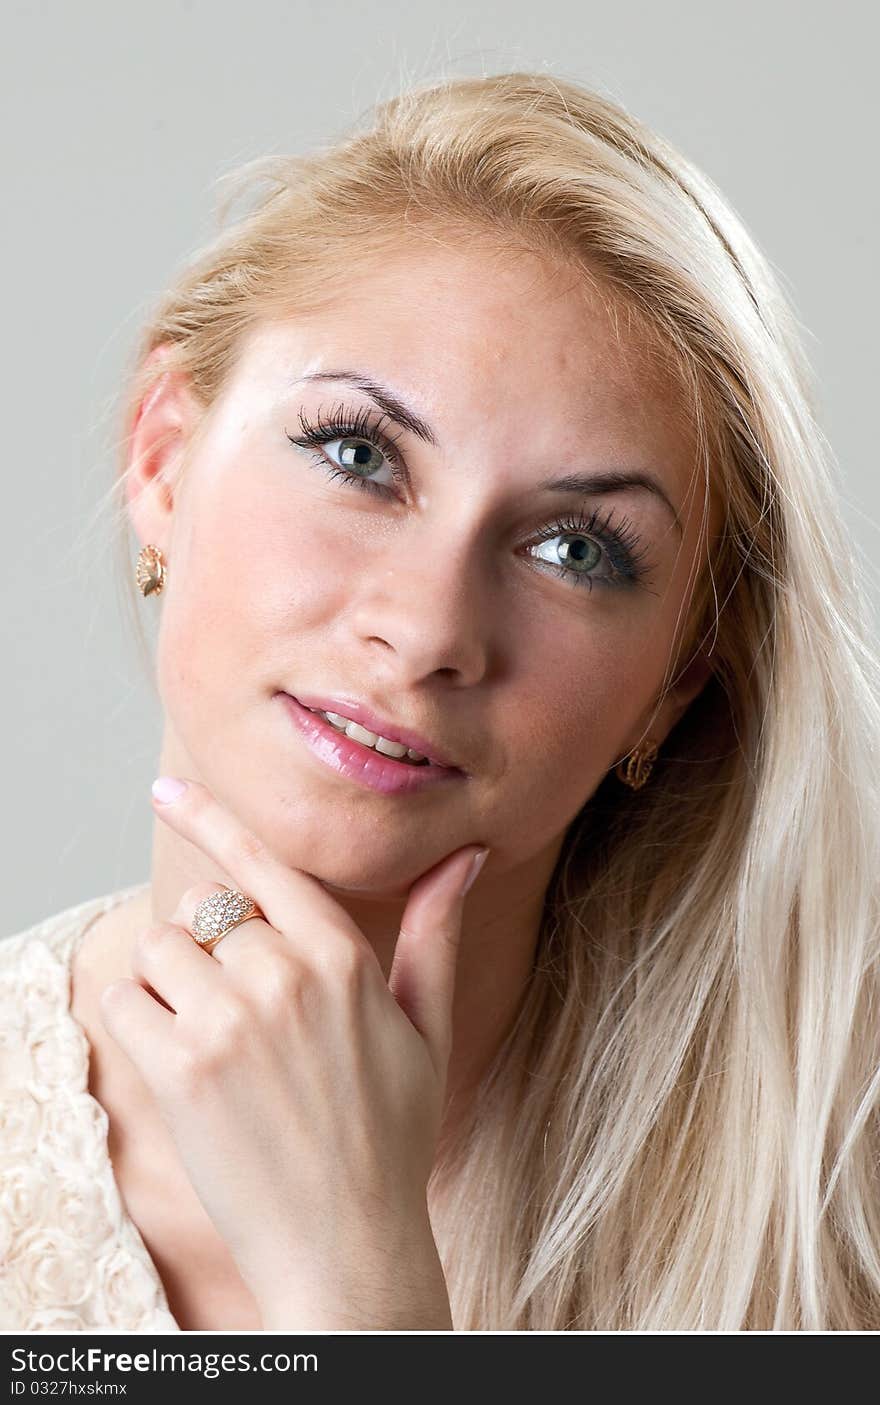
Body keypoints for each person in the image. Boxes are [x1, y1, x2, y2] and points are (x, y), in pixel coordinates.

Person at [3, 70, 879, 1334]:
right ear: (162, 456)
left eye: (574, 548)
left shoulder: (829, 1207)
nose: (424, 632)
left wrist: (355, 1280)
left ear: (675, 684)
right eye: (359, 455)